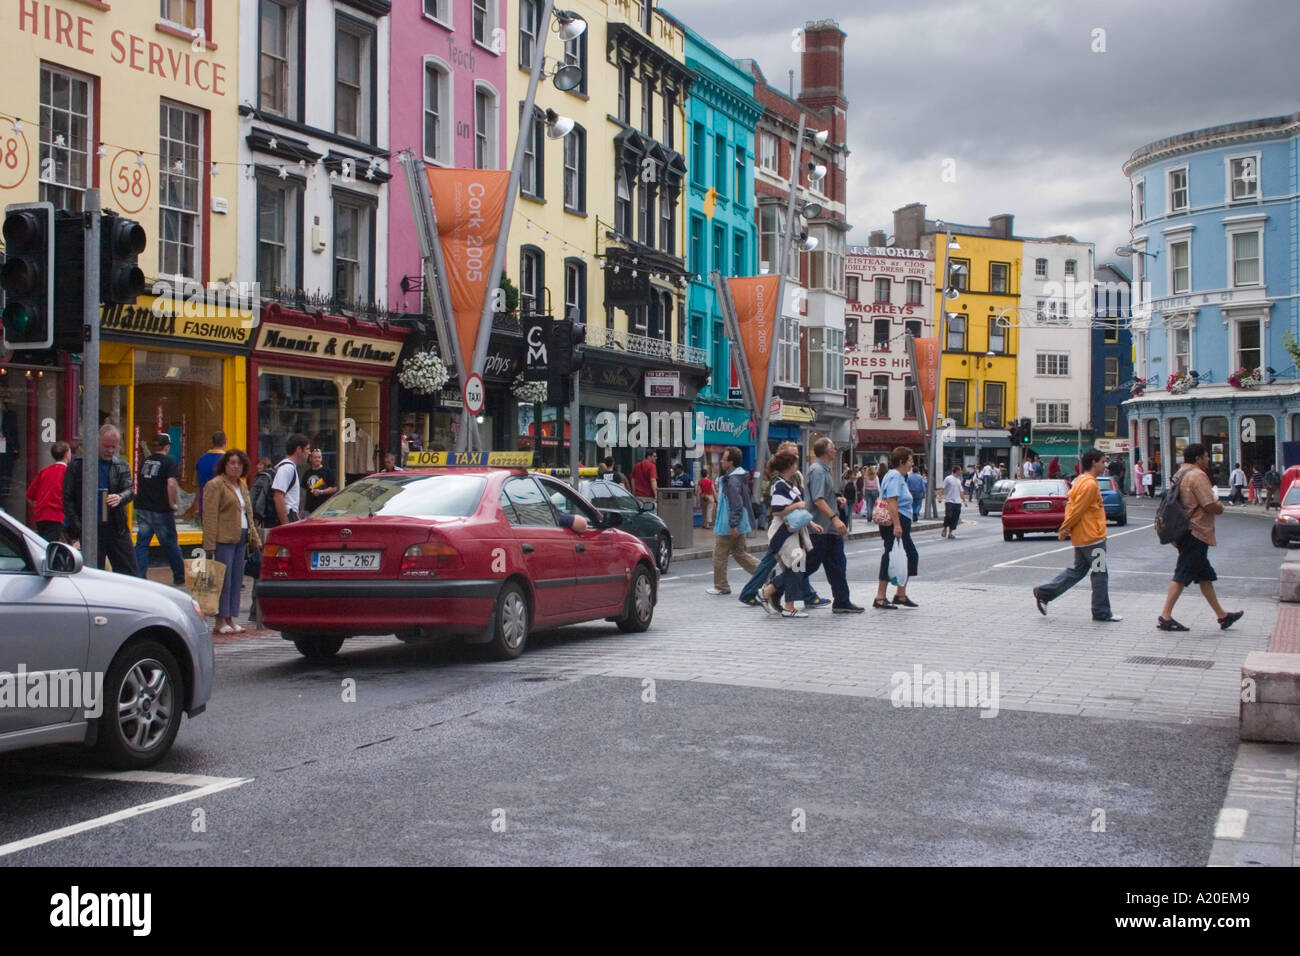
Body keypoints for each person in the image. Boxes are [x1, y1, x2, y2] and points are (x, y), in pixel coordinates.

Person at [1158, 443, 1244, 632]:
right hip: (1195, 530)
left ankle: (1223, 616)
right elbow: (1208, 504)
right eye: (1206, 456)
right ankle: (1165, 616)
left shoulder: (1180, 473)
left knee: (1204, 575)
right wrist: (1220, 506)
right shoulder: (1197, 475)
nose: (1208, 460)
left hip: (1183, 530)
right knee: (1182, 574)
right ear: (1198, 458)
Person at [1031, 449, 1120, 622]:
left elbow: (1072, 506)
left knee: (1078, 571)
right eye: (1103, 461)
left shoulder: (1080, 481)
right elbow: (1077, 509)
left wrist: (1069, 528)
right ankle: (1101, 611)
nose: (1105, 465)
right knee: (1100, 573)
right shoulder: (1090, 485)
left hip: (1083, 536)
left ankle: (1045, 593)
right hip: (1093, 538)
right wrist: (1065, 528)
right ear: (1094, 463)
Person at [64, 424, 137, 575]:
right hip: (89, 527)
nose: (110, 451)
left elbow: (130, 490)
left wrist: (120, 497)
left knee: (129, 570)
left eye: (113, 447)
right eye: (106, 446)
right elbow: (68, 498)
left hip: (116, 526)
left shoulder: (121, 465)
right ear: (96, 442)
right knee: (93, 572)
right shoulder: (78, 465)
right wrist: (78, 525)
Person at [202, 449, 261, 635]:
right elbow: (210, 516)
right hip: (223, 538)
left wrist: (254, 537)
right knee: (223, 580)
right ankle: (219, 621)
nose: (235, 466)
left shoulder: (242, 486)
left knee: (236, 580)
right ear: (225, 465)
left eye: (239, 463)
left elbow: (248, 513)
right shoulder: (215, 485)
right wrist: (209, 544)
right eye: (232, 463)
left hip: (241, 537)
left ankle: (230, 619)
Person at [759, 451, 822, 618]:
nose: (797, 466)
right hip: (783, 533)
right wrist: (798, 505)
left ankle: (769, 592)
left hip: (793, 532)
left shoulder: (788, 484)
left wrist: (811, 523)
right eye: (794, 463)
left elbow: (798, 512)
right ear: (788, 466)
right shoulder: (779, 485)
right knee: (796, 566)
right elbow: (778, 510)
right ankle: (788, 606)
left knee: (795, 568)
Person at [804, 437, 863, 613]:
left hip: (828, 530)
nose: (835, 450)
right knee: (808, 565)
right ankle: (774, 589)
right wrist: (835, 519)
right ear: (825, 451)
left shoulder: (824, 470)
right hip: (820, 529)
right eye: (833, 447)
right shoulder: (818, 471)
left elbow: (823, 497)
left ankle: (842, 600)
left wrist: (835, 499)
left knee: (837, 565)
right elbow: (817, 499)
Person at [134, 433, 186, 586]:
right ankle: (179, 576)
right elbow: (171, 484)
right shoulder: (170, 462)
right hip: (161, 509)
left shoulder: (146, 461)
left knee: (142, 544)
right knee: (170, 543)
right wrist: (172, 504)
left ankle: (139, 576)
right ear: (167, 446)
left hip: (143, 507)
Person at [706, 446, 758, 595]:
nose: (721, 461)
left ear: (731, 462)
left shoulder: (732, 481)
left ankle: (721, 586)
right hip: (737, 523)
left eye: (724, 459)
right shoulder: (735, 478)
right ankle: (764, 572)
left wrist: (733, 524)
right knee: (740, 553)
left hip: (728, 524)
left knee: (719, 555)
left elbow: (736, 504)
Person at [873, 446, 919, 610]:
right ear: (901, 462)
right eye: (910, 460)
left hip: (900, 520)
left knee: (906, 555)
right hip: (895, 521)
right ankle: (881, 596)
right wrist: (897, 524)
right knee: (895, 555)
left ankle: (900, 594)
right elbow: (892, 500)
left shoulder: (899, 476)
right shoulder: (895, 476)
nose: (912, 463)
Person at [26, 440, 71, 543]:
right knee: (51, 548)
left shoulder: (45, 471)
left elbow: (29, 495)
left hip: (40, 516)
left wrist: (40, 506)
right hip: (56, 516)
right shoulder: (67, 473)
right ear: (66, 454)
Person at [271, 434, 311, 527]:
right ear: (298, 449)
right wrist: (285, 525)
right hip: (288, 516)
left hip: (292, 515)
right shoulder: (287, 468)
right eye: (307, 449)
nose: (309, 453)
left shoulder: (290, 467)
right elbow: (278, 496)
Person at [195, 430, 227, 516]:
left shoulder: (201, 459)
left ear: (213, 442)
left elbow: (197, 484)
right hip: (223, 506)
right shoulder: (228, 460)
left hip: (205, 504)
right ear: (225, 442)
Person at [303, 448, 338, 515]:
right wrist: (302, 509)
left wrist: (321, 492)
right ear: (310, 459)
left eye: (319, 457)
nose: (317, 459)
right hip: (309, 510)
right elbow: (304, 492)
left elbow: (334, 488)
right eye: (315, 457)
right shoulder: (307, 473)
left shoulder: (327, 471)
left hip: (324, 510)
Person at [941, 465, 963, 539]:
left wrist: (964, 501)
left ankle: (950, 533)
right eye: (960, 470)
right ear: (957, 471)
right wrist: (940, 497)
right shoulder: (948, 478)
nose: (961, 472)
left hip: (957, 502)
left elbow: (961, 491)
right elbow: (943, 488)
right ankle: (944, 528)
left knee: (955, 518)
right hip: (949, 501)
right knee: (948, 516)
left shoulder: (959, 480)